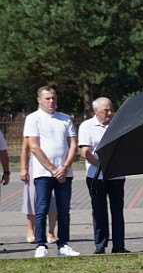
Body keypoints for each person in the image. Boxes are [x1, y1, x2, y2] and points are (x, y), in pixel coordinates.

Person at [24, 86, 79, 258]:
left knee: (63, 210)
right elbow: (33, 146)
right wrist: (53, 169)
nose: (51, 101)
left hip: (64, 173)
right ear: (39, 100)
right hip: (43, 173)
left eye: (53, 98)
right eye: (47, 98)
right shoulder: (33, 119)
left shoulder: (65, 119)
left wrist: (64, 167)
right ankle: (40, 244)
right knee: (41, 208)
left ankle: (63, 243)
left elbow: (73, 145)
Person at [78, 97, 129, 254]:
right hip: (96, 176)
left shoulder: (117, 124)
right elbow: (85, 151)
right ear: (95, 111)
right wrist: (102, 166)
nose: (109, 112)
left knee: (117, 211)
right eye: (105, 110)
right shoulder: (87, 126)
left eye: (110, 109)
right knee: (99, 210)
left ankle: (119, 245)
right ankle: (100, 245)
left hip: (116, 175)